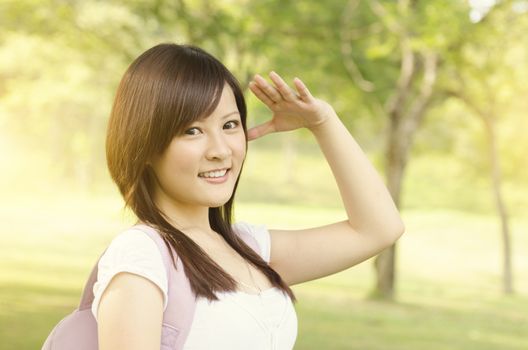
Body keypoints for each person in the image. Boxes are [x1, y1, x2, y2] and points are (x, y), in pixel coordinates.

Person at [97, 43, 405, 350]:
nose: (220, 150)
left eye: (230, 125)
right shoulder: (142, 256)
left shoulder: (249, 248)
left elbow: (379, 229)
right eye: (192, 130)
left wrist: (322, 123)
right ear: (145, 144)